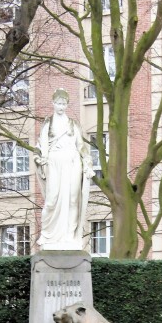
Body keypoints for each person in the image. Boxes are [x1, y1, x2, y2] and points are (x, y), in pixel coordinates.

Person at [35, 89, 94, 251]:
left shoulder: (73, 124)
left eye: (63, 104)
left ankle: (70, 235)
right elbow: (40, 147)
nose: (61, 106)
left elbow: (81, 147)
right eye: (58, 103)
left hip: (73, 163)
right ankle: (47, 234)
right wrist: (39, 158)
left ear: (67, 104)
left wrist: (87, 161)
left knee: (73, 199)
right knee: (52, 199)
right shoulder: (48, 124)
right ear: (53, 104)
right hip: (54, 163)